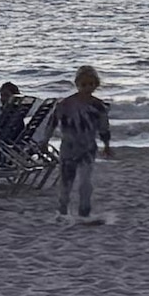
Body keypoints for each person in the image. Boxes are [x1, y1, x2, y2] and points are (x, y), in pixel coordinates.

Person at [50, 65, 112, 222]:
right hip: (68, 148)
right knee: (66, 182)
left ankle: (84, 211)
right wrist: (45, 140)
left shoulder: (98, 106)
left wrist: (107, 145)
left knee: (86, 182)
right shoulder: (65, 104)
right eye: (84, 85)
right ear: (77, 84)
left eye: (91, 84)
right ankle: (62, 211)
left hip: (88, 148)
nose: (87, 88)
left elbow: (104, 127)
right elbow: (52, 122)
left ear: (96, 85)